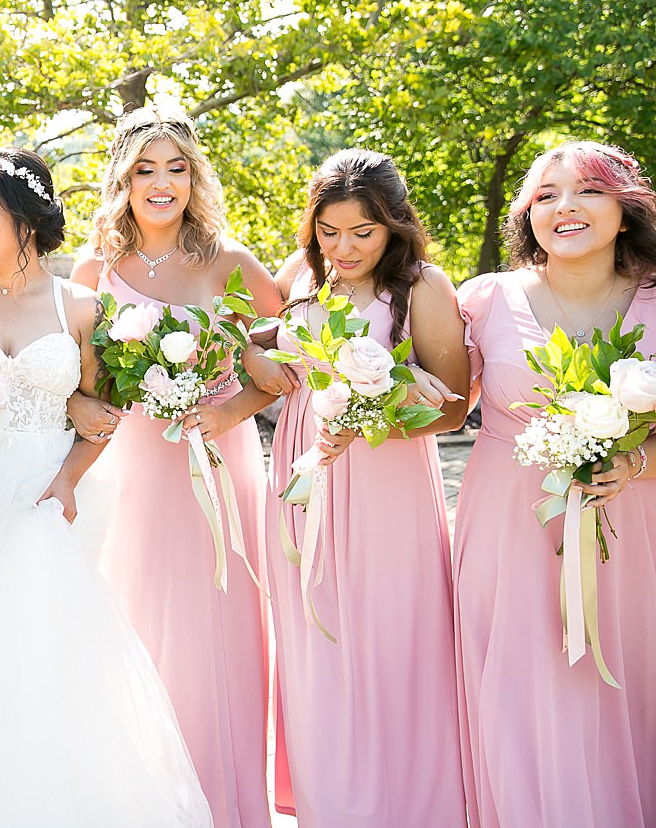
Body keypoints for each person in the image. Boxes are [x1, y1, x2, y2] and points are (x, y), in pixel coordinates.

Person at [0, 147, 212, 827]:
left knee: (35, 662)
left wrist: (64, 481)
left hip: (42, 500)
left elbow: (101, 416)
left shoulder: (80, 307)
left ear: (26, 217)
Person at [67, 101, 282, 828]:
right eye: (146, 170)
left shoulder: (232, 263)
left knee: (214, 626)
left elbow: (283, 366)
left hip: (216, 463)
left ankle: (225, 803)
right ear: (123, 181)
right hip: (127, 470)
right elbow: (71, 372)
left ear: (196, 178)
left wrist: (230, 408)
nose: (162, 184)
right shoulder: (94, 267)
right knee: (130, 620)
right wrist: (75, 409)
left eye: (177, 169)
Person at [259, 150, 468, 825]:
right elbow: (260, 346)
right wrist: (258, 357)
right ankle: (332, 807)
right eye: (329, 231)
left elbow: (456, 407)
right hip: (303, 470)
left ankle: (410, 806)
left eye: (363, 232)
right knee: (317, 644)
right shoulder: (302, 277)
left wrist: (373, 405)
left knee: (391, 641)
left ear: (394, 226)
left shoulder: (424, 286)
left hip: (385, 483)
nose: (343, 248)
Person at [456, 141, 656, 826]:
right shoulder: (483, 302)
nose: (564, 206)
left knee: (629, 686)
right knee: (521, 692)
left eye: (587, 191)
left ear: (625, 212)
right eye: (545, 195)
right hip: (509, 529)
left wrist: (635, 462)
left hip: (638, 531)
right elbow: (441, 398)